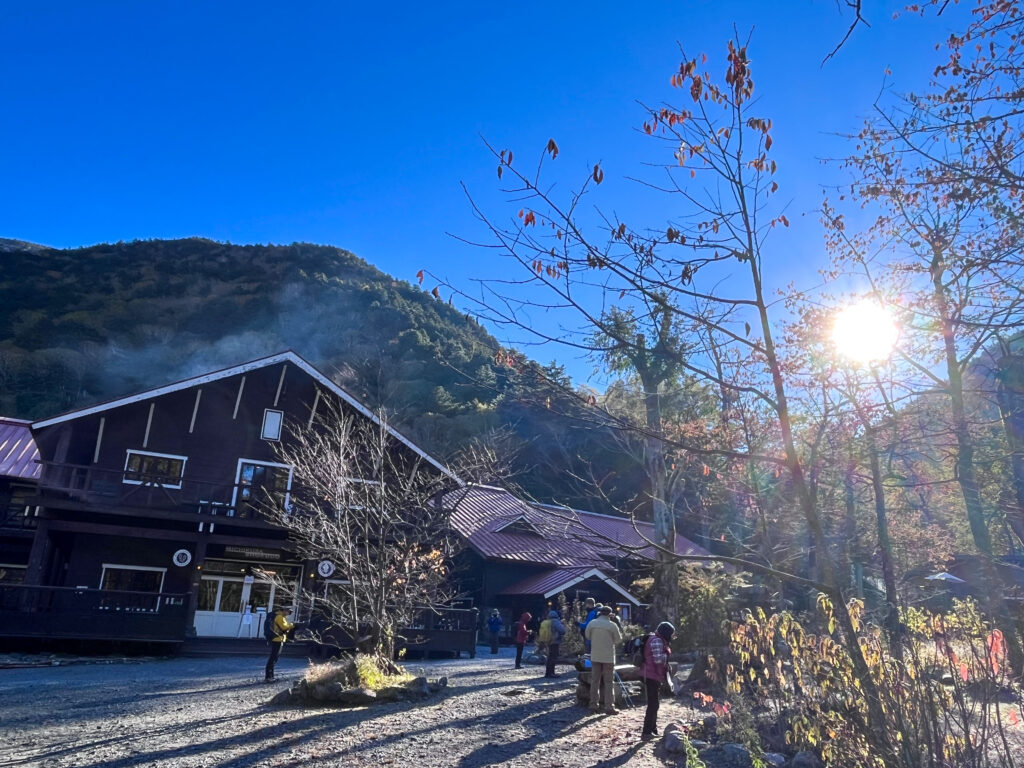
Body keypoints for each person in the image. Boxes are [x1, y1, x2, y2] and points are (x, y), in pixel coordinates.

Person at [585, 605, 623, 713]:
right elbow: (618, 640)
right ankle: (609, 706)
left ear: (600, 612)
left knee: (595, 681)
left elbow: (587, 636)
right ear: (610, 614)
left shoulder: (592, 623)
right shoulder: (612, 625)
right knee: (608, 682)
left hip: (595, 655)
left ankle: (593, 704)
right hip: (608, 657)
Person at [641, 621, 675, 738]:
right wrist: (667, 655)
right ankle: (646, 732)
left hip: (653, 674)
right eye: (671, 634)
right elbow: (658, 659)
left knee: (655, 704)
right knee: (653, 704)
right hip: (651, 675)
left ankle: (653, 729)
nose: (672, 636)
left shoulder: (656, 639)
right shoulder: (657, 641)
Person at [265, 606, 295, 682]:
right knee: (273, 658)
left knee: (274, 658)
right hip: (277, 639)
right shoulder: (279, 617)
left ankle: (271, 676)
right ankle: (268, 677)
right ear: (284, 610)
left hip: (278, 639)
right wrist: (292, 625)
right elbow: (284, 627)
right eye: (289, 611)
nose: (289, 613)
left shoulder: (280, 616)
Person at [543, 610, 566, 678]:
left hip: (549, 641)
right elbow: (562, 630)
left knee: (549, 657)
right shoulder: (555, 621)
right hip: (555, 641)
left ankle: (548, 673)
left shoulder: (547, 621)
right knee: (553, 657)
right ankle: (551, 673)